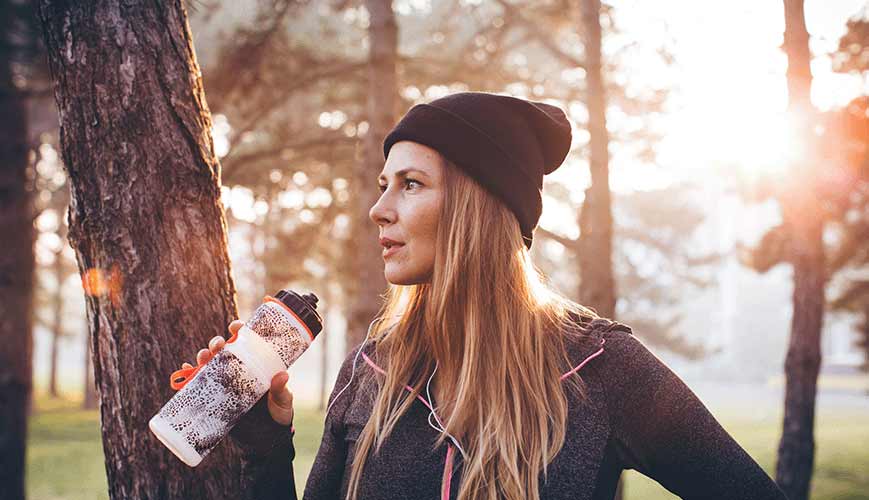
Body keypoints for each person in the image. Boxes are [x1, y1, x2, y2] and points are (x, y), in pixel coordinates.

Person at [181, 92, 788, 500]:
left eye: (410, 184)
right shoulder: (372, 367)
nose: (378, 209)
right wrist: (266, 447)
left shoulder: (600, 370)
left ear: (479, 210)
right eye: (383, 184)